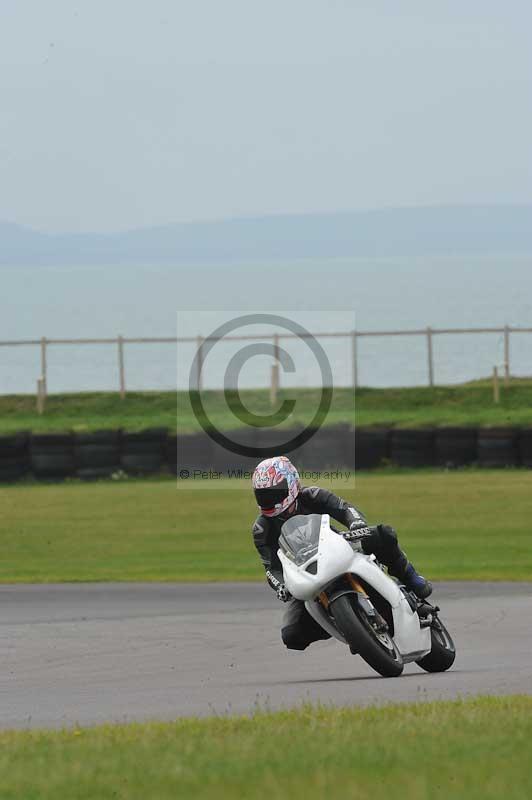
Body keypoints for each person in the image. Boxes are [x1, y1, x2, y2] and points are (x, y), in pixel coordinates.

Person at [252, 455, 432, 651]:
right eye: (263, 495)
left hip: (339, 550)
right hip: (306, 574)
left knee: (384, 534)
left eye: (273, 492)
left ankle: (412, 580)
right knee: (292, 635)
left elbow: (345, 509)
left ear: (291, 482)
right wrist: (281, 586)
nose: (269, 500)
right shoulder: (262, 529)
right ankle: (347, 626)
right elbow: (271, 568)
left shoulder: (312, 495)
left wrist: (355, 524)